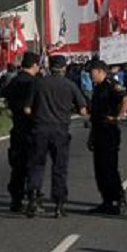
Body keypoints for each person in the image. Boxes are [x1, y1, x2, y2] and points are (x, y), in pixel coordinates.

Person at [24, 55, 87, 219]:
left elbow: (27, 109)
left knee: (36, 165)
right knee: (59, 168)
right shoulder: (70, 85)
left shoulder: (39, 84)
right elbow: (82, 110)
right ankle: (59, 204)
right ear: (64, 68)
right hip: (60, 130)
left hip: (40, 129)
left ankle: (33, 197)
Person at [87, 59, 127, 215]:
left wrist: (118, 116)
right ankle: (106, 201)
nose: (90, 75)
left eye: (91, 72)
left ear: (100, 71)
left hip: (109, 131)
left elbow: (126, 99)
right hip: (98, 130)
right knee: (100, 170)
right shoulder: (98, 87)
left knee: (110, 168)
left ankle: (119, 199)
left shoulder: (111, 84)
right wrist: (91, 135)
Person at [1, 51, 40, 213]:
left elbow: (6, 99)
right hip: (32, 128)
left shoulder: (13, 82)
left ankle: (16, 199)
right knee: (33, 165)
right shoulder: (35, 83)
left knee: (17, 165)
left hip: (17, 127)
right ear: (34, 65)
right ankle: (32, 198)